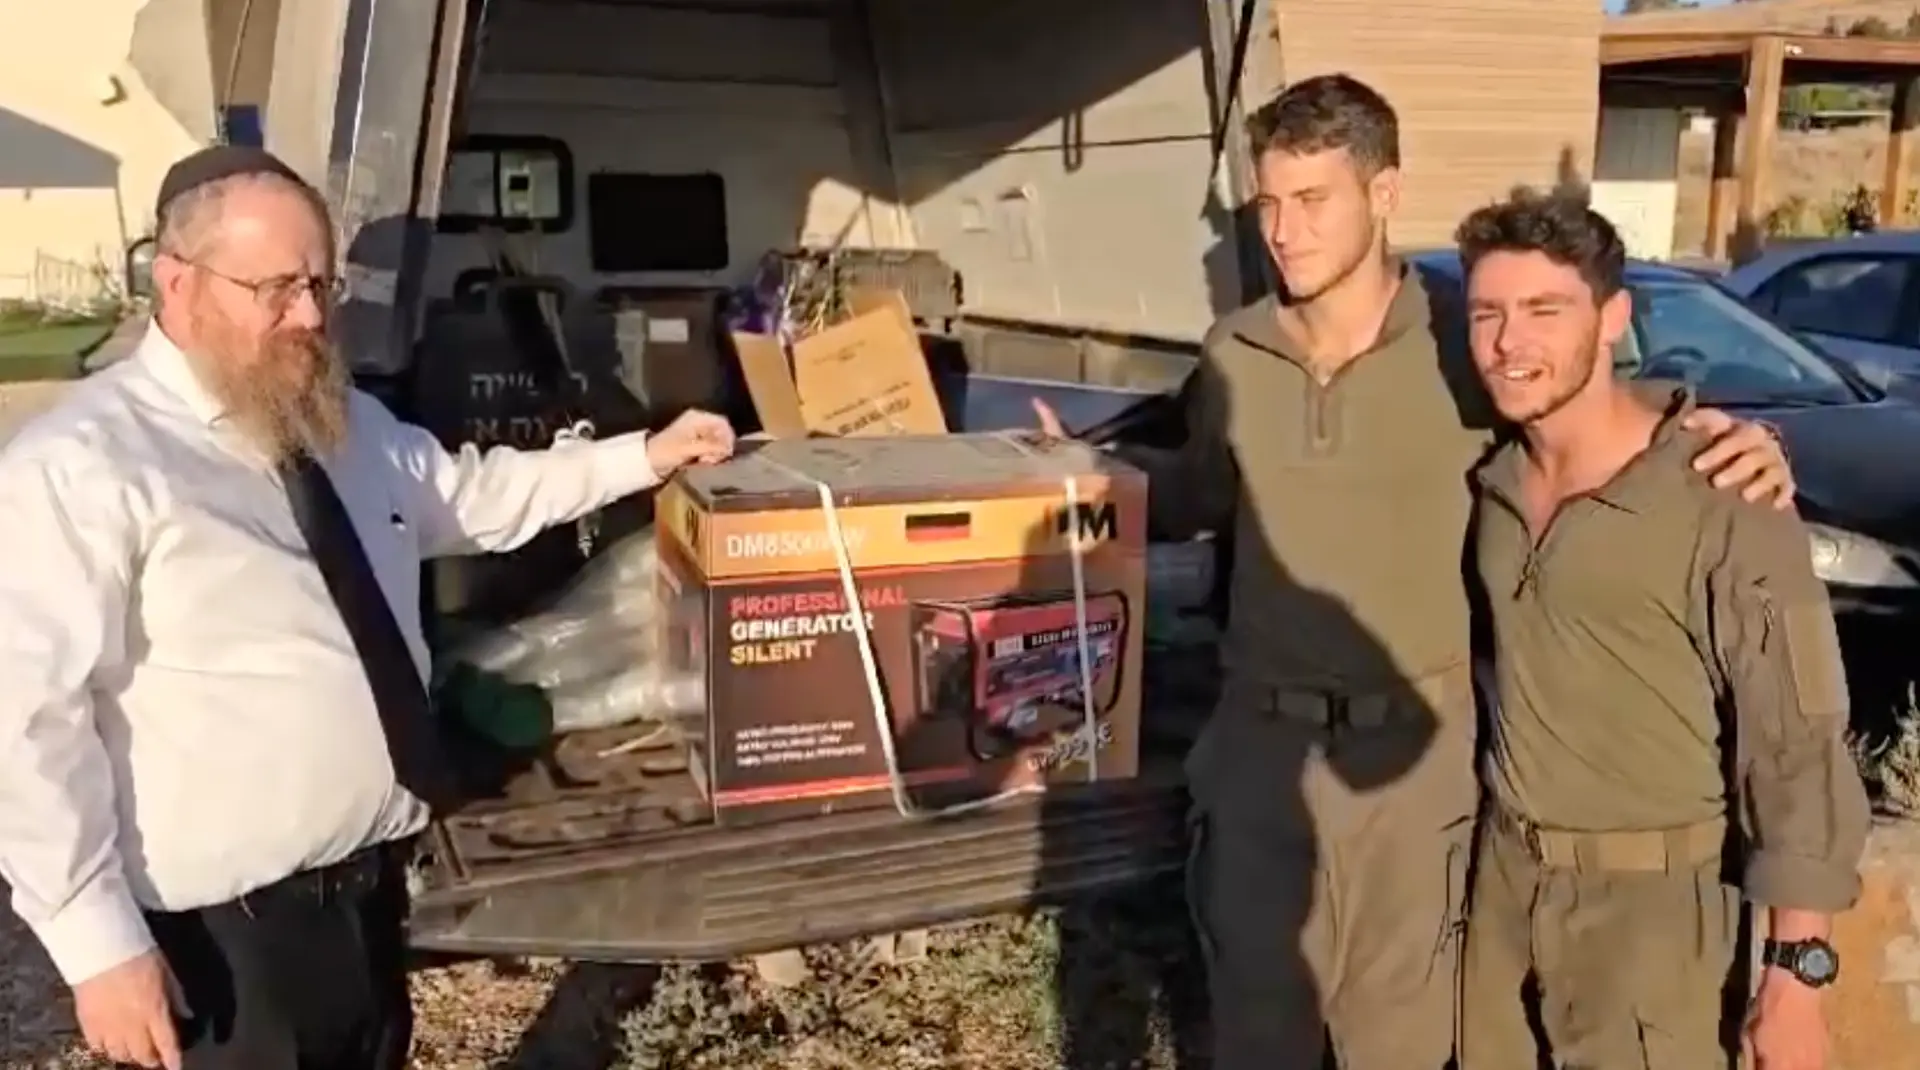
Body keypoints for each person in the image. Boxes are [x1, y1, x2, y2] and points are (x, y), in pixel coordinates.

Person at [1032, 75, 1795, 1069]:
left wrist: (1719, 428)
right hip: (1261, 758)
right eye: (1267, 203)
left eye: (1313, 201)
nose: (1283, 231)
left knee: (1399, 1047)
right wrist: (1090, 472)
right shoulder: (1234, 352)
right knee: (1259, 1039)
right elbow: (1197, 495)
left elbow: (1574, 404)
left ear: (1384, 192)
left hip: (1414, 771)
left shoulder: (1458, 340)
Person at [0, 145, 735, 1070]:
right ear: (177, 285)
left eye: (320, 285)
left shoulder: (332, 422)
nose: (308, 316)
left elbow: (473, 499)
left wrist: (642, 457)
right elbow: (25, 722)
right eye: (274, 288)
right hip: (227, 945)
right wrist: (96, 945)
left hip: (365, 904)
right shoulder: (82, 466)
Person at [1455, 190, 1867, 1070]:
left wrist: (1797, 977)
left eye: (1543, 311)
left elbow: (1797, 745)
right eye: (1487, 313)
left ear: (1612, 318)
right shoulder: (1487, 479)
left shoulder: (1722, 495)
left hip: (1652, 921)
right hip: (1503, 899)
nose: (1509, 342)